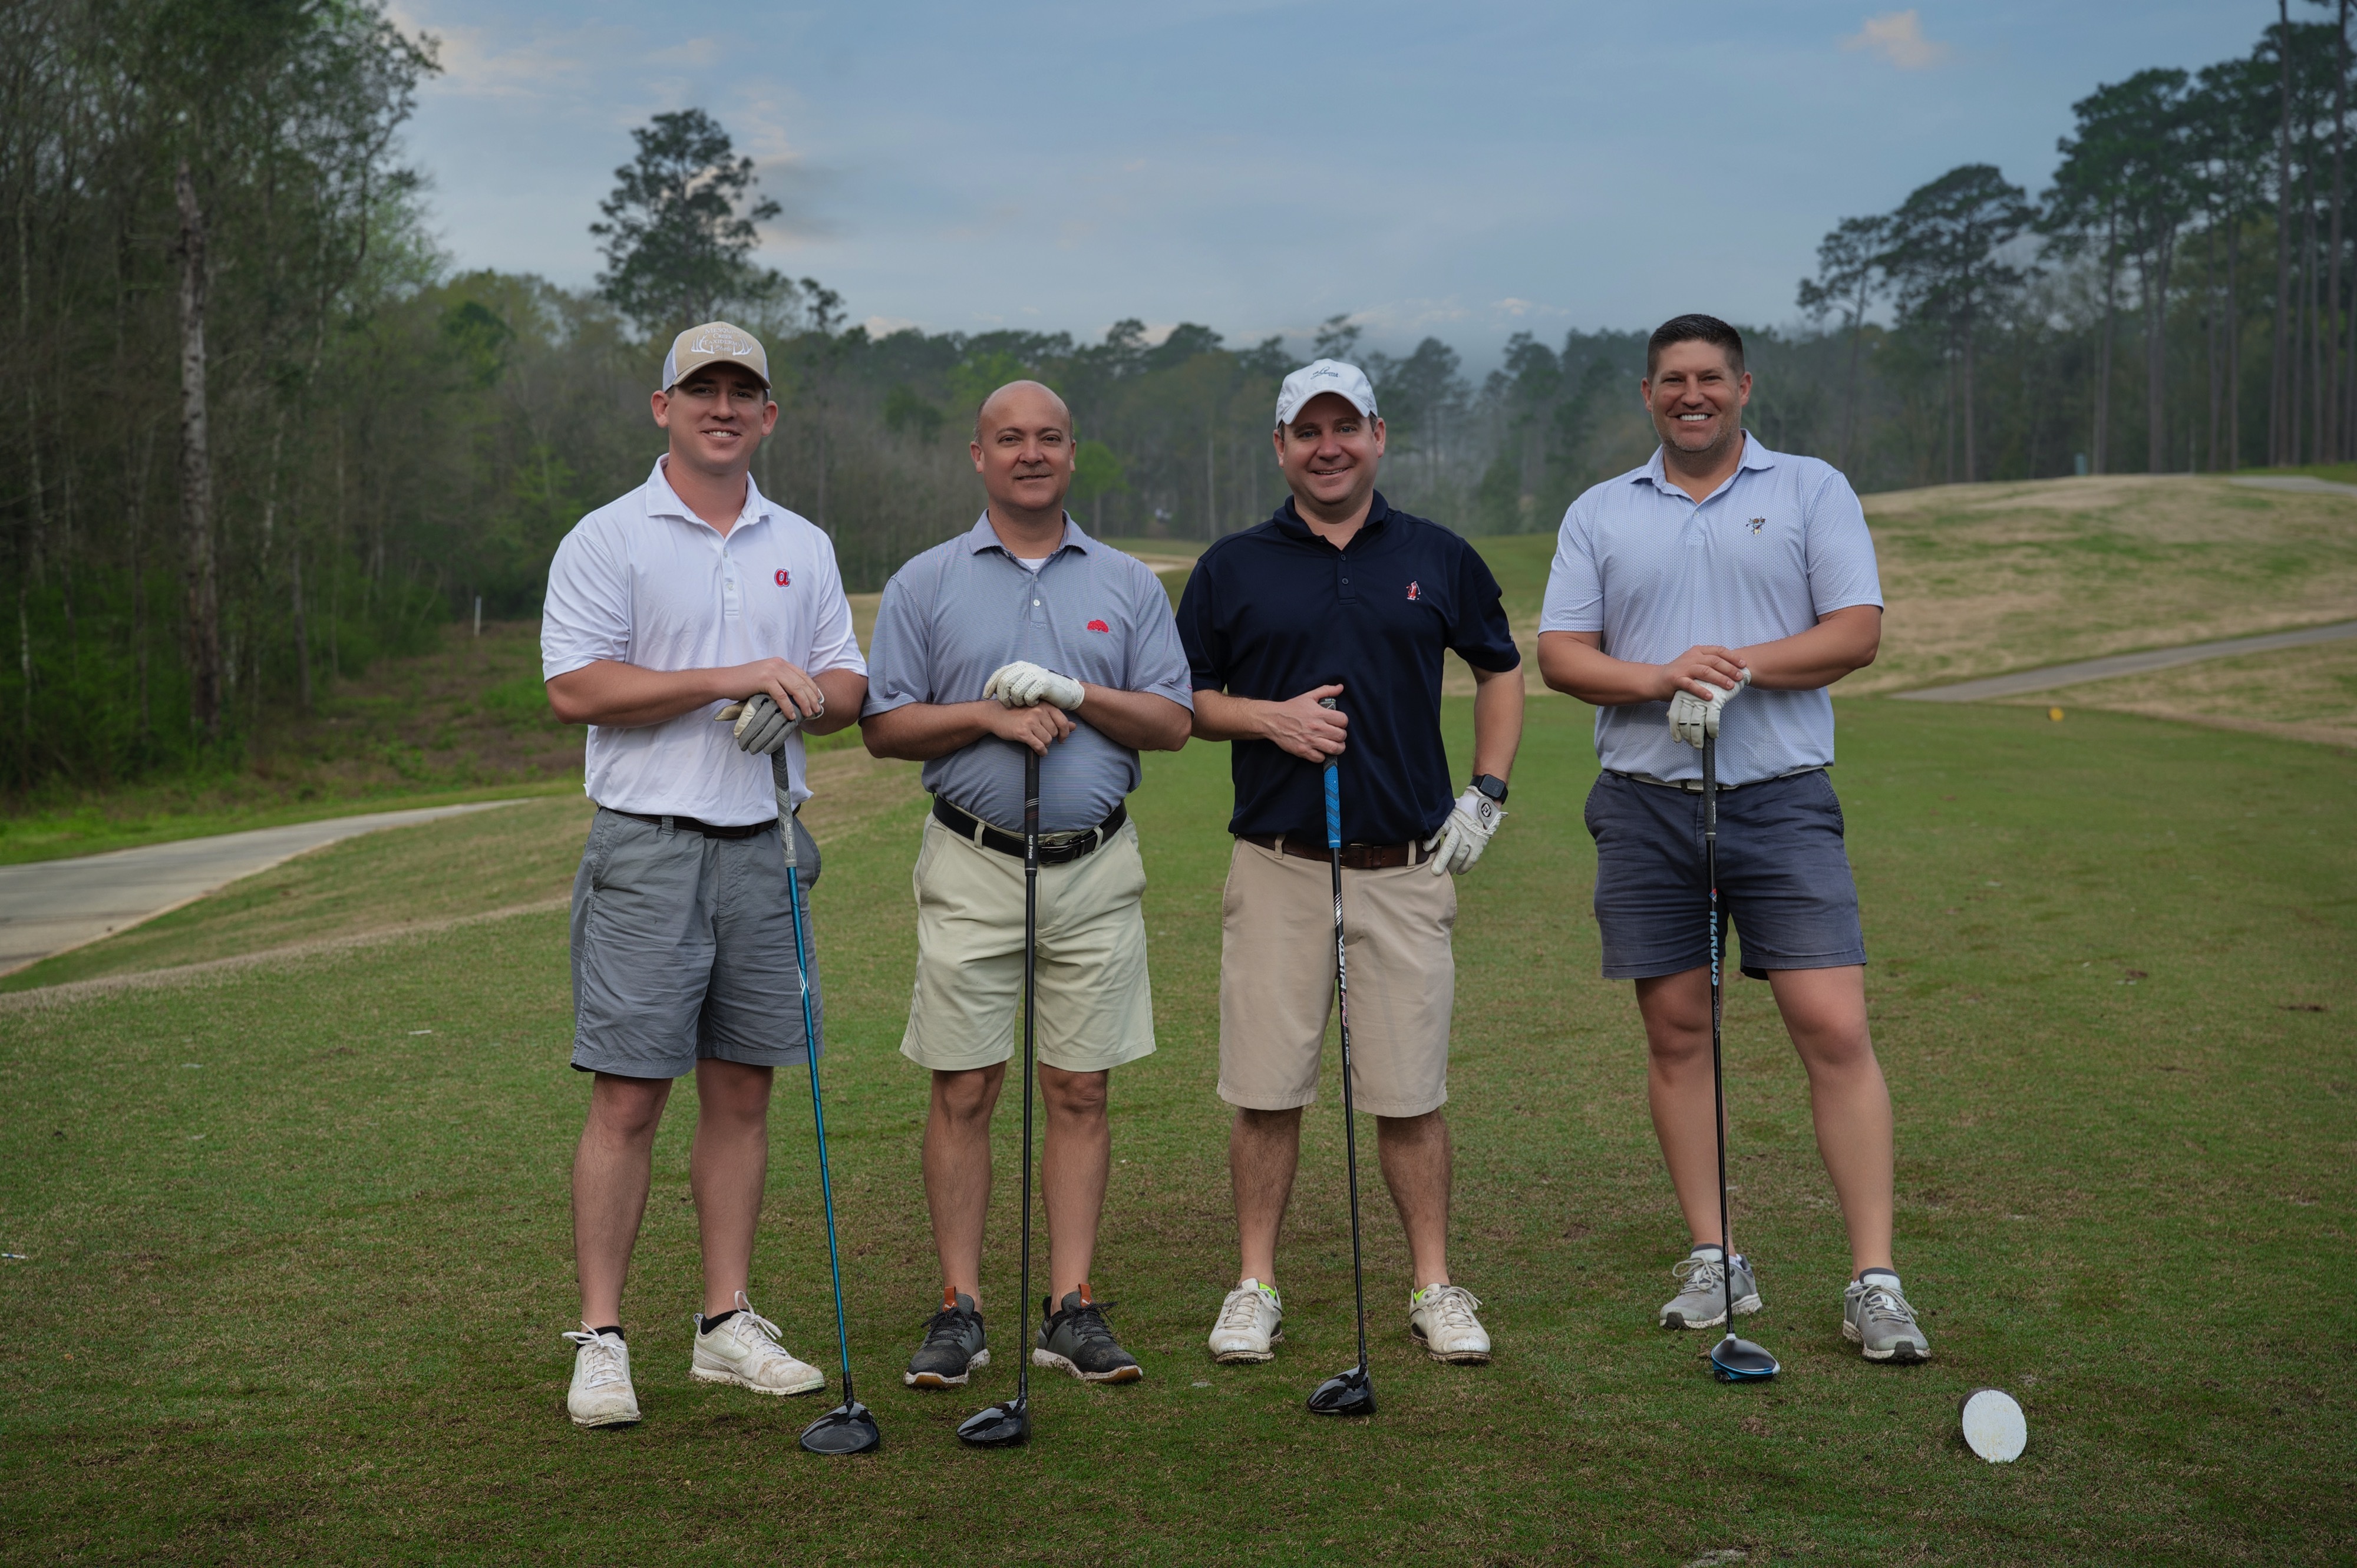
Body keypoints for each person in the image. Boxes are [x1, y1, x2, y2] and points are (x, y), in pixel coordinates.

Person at [1535, 313, 1929, 1364]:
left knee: (1832, 1025)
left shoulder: (1809, 489)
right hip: (1645, 804)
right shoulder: (1601, 510)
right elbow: (1562, 655)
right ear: (1649, 394)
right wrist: (1662, 675)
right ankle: (1716, 1258)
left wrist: (1734, 666)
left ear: (1744, 387)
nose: (1692, 393)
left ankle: (1875, 1279)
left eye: (1711, 376)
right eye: (1673, 379)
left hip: (1781, 798)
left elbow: (1857, 631)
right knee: (1676, 1031)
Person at [540, 321, 871, 1427]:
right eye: (701, 391)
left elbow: (846, 676)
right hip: (648, 846)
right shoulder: (609, 536)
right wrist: (732, 676)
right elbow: (577, 687)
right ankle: (602, 1337)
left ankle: (725, 1320)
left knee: (742, 1090)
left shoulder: (803, 543)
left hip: (765, 843)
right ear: (664, 407)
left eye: (742, 393)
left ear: (768, 415)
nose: (721, 409)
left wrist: (805, 696)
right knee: (629, 1095)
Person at [1177, 358, 1525, 1368]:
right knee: (1265, 1087)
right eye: (1307, 431)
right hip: (1278, 860)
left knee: (1411, 1092)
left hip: (1405, 863)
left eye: (1345, 428)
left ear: (1378, 436)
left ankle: (1434, 1284)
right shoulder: (1233, 565)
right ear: (1281, 446)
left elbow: (1501, 668)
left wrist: (1487, 791)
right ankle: (1255, 1284)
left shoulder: (1438, 556)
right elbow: (1183, 699)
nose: (1327, 448)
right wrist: (1269, 718)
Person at [861, 379, 1193, 1391]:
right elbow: (884, 725)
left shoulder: (1128, 582)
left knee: (1080, 1086)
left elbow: (1172, 721)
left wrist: (1073, 693)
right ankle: (959, 1307)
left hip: (1095, 862)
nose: (1031, 453)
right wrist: (987, 716)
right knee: (964, 1084)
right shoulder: (925, 581)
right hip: (974, 861)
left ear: (1072, 452)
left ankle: (1071, 1306)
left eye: (1050, 437)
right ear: (979, 455)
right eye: (1010, 438)